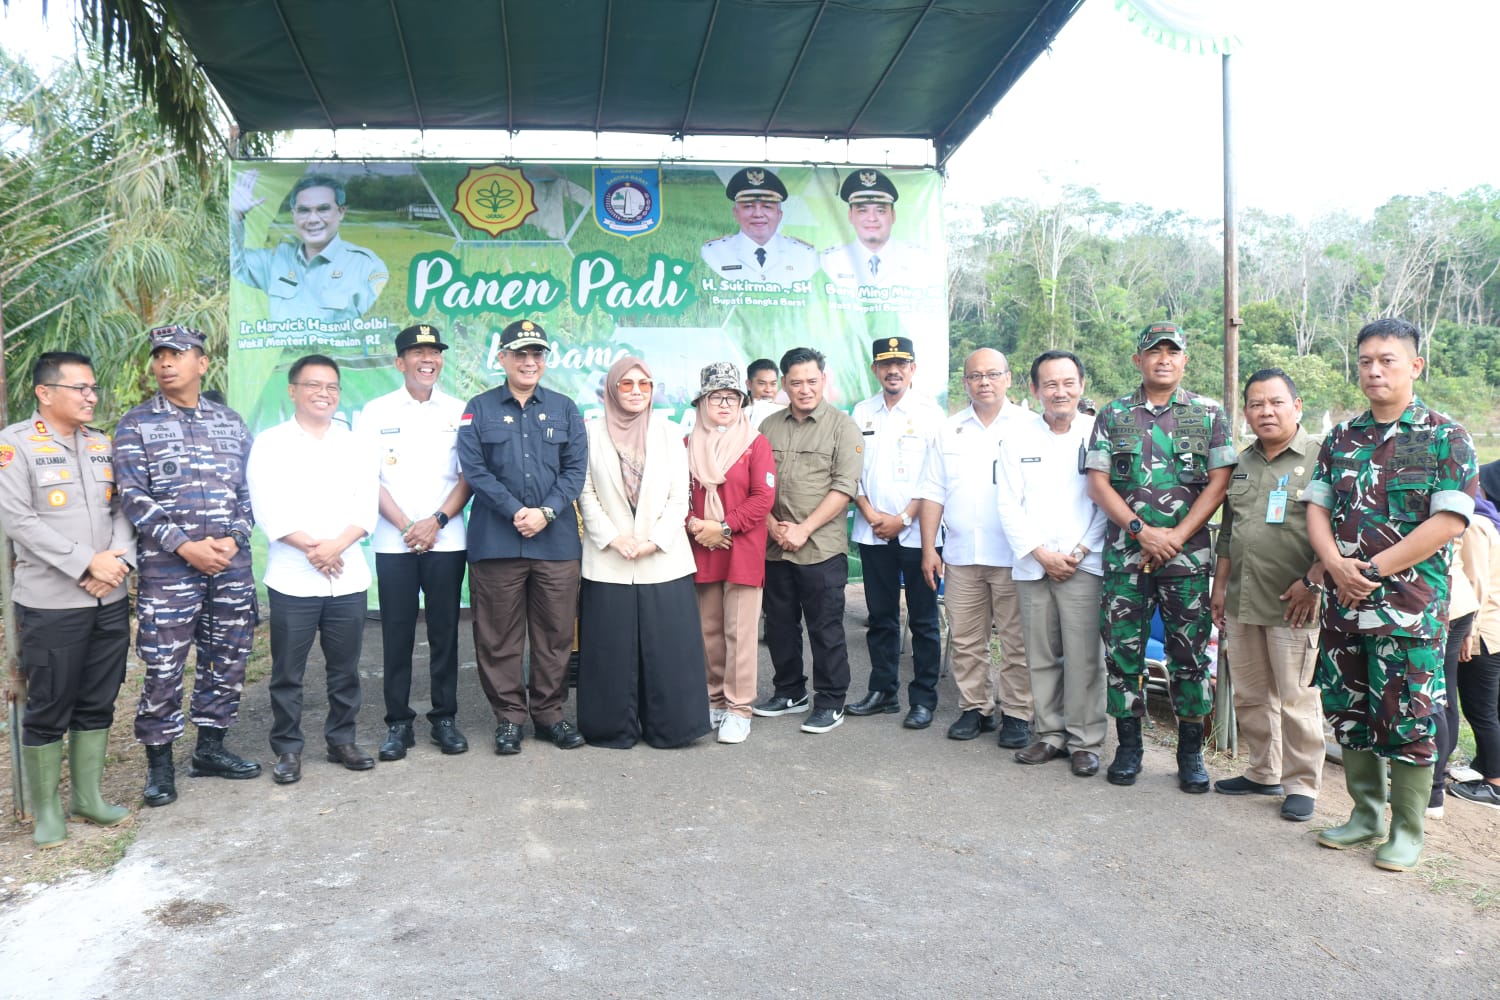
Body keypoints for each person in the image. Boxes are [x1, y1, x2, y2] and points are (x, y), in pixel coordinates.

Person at [1305, 318, 1477, 871]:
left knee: (1407, 716)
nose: (1374, 371)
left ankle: (1407, 829)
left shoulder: (1445, 436)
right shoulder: (1341, 436)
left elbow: (1449, 521)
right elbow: (1317, 506)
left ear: (1415, 366)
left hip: (1408, 609)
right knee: (1350, 711)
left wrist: (1370, 570)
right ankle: (1364, 815)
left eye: (1387, 360)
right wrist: (1333, 564)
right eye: (1365, 361)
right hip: (1344, 604)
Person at [114, 325, 260, 809]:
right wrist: (184, 546)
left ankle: (210, 750)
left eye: (177, 354)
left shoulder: (230, 422)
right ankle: (159, 765)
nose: (166, 362)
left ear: (202, 363)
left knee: (228, 657)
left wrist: (234, 539)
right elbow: (133, 498)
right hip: (168, 571)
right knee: (163, 665)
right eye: (159, 355)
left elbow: (247, 492)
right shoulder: (136, 425)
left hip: (229, 566)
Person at [1086, 322, 1235, 792]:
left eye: (1173, 351)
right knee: (1122, 654)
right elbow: (1097, 483)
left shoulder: (1209, 414)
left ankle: (1190, 754)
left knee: (1189, 657)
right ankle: (1129, 748)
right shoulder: (1113, 414)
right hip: (1126, 558)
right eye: (1154, 351)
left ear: (1185, 360)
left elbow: (1220, 482)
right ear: (1139, 360)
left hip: (1186, 561)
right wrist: (1142, 531)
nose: (1163, 359)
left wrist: (1176, 536)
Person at [0, 353, 134, 847]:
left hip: (110, 596)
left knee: (99, 697)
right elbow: (20, 522)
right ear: (44, 392)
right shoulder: (13, 447)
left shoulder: (102, 444)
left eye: (93, 388)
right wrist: (86, 562)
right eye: (80, 388)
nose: (90, 397)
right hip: (52, 602)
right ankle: (47, 813)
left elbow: (124, 508)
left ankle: (87, 798)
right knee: (50, 702)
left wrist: (117, 561)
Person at [456, 319, 588, 755]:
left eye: (537, 354)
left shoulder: (566, 408)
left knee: (553, 635)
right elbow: (474, 471)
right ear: (502, 359)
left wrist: (546, 512)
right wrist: (517, 511)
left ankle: (550, 715)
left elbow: (575, 471)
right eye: (520, 354)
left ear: (545, 360)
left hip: (555, 542)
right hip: (497, 541)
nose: (529, 362)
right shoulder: (478, 408)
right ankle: (509, 719)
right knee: (498, 637)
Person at [246, 355, 380, 784]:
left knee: (345, 670)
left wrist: (336, 545)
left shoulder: (354, 442)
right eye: (313, 385)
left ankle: (342, 739)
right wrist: (314, 548)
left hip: (347, 576)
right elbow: (267, 507)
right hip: (292, 578)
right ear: (292, 391)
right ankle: (287, 749)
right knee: (288, 673)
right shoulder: (271, 442)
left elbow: (367, 504)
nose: (324, 394)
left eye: (331, 387)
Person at [1208, 369, 1325, 822]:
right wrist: (1220, 587)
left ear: (1297, 406)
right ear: (1246, 413)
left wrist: (1314, 581)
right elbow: (1230, 533)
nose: (1266, 411)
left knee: (1296, 697)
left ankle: (1302, 784)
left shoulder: (1320, 458)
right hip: (1243, 596)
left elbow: (1337, 531)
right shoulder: (1243, 462)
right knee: (1253, 693)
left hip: (1295, 601)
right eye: (1256, 404)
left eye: (1276, 402)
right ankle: (1262, 770)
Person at [576, 357, 710, 748]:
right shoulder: (590, 433)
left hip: (663, 558)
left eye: (644, 385)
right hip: (609, 559)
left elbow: (678, 496)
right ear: (612, 389)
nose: (636, 391)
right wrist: (614, 538)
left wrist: (655, 540)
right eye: (627, 384)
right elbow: (584, 491)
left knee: (669, 649)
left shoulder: (670, 433)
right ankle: (611, 729)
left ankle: (673, 728)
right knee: (610, 651)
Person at [355, 323, 473, 761]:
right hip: (394, 542)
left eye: (435, 352)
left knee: (445, 631)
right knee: (397, 634)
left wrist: (436, 521)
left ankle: (444, 718)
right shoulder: (376, 411)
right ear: (399, 361)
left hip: (446, 537)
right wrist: (409, 525)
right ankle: (398, 723)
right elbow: (370, 477)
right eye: (418, 352)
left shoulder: (459, 410)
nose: (429, 359)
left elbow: (468, 477)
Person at [993, 350, 1108, 776]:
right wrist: (1040, 552)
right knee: (1039, 654)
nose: (1060, 392)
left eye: (1068, 383)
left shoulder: (1099, 434)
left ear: (1081, 385)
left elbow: (1106, 502)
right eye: (1050, 385)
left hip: (1084, 564)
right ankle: (1050, 735)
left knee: (1084, 657)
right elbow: (1007, 503)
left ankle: (1085, 740)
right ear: (1035, 390)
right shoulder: (1017, 438)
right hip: (1033, 564)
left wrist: (1077, 553)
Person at [919, 347, 1034, 744]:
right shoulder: (949, 429)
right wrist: (929, 548)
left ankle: (1018, 713)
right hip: (962, 555)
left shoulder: (1030, 425)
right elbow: (933, 492)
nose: (984, 382)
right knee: (966, 639)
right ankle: (975, 707)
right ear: (964, 382)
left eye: (992, 374)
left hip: (1016, 557)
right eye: (974, 376)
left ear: (1008, 377)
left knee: (1017, 641)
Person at [754, 347, 864, 734]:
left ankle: (831, 700)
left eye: (812, 381)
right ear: (784, 384)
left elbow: (843, 488)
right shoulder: (768, 427)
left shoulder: (842, 427)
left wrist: (802, 529)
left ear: (824, 380)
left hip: (820, 548)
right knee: (780, 625)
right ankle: (788, 691)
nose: (804, 389)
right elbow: (754, 483)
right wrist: (770, 524)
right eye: (796, 382)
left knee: (825, 627)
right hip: (774, 544)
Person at [847, 337, 946, 730]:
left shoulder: (929, 413)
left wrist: (903, 518)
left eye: (901, 363)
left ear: (913, 368)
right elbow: (850, 470)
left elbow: (936, 478)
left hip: (919, 533)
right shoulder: (861, 411)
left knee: (922, 620)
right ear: (875, 369)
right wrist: (870, 512)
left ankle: (922, 699)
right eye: (886, 364)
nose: (893, 370)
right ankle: (883, 690)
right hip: (873, 531)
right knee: (881, 617)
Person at [686, 363, 776, 744]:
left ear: (742, 402)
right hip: (702, 548)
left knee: (741, 632)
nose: (724, 404)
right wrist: (695, 526)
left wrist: (722, 527)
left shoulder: (756, 443)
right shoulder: (688, 445)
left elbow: (763, 498)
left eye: (731, 397)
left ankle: (740, 708)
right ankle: (716, 700)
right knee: (709, 631)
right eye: (715, 397)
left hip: (741, 548)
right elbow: (674, 494)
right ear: (702, 402)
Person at [230, 168, 389, 324]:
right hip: (284, 350)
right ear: (294, 215)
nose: (313, 219)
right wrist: (237, 216)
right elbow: (235, 264)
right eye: (304, 210)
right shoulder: (275, 260)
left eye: (323, 209)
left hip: (337, 351)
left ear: (341, 212)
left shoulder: (366, 265)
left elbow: (376, 324)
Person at [1450, 461, 1500, 810]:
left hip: (1483, 632)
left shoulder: (1476, 525)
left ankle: (1495, 784)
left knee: (1480, 710)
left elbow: (1475, 583)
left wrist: (1469, 631)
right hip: (1492, 628)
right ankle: (1484, 768)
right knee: (1488, 708)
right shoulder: (1492, 519)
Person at [700, 168, 817, 287]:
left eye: (767, 206)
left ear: (779, 214)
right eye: (748, 206)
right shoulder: (713, 252)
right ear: (736, 213)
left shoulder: (804, 255)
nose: (758, 214)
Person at [819, 169, 931, 290]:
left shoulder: (918, 260)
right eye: (862, 210)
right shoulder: (829, 261)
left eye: (880, 211)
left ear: (893, 215)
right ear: (850, 215)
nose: (872, 218)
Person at [745, 357, 786, 428]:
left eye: (773, 384)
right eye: (762, 383)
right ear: (749, 384)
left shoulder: (785, 413)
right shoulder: (737, 413)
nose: (768, 390)